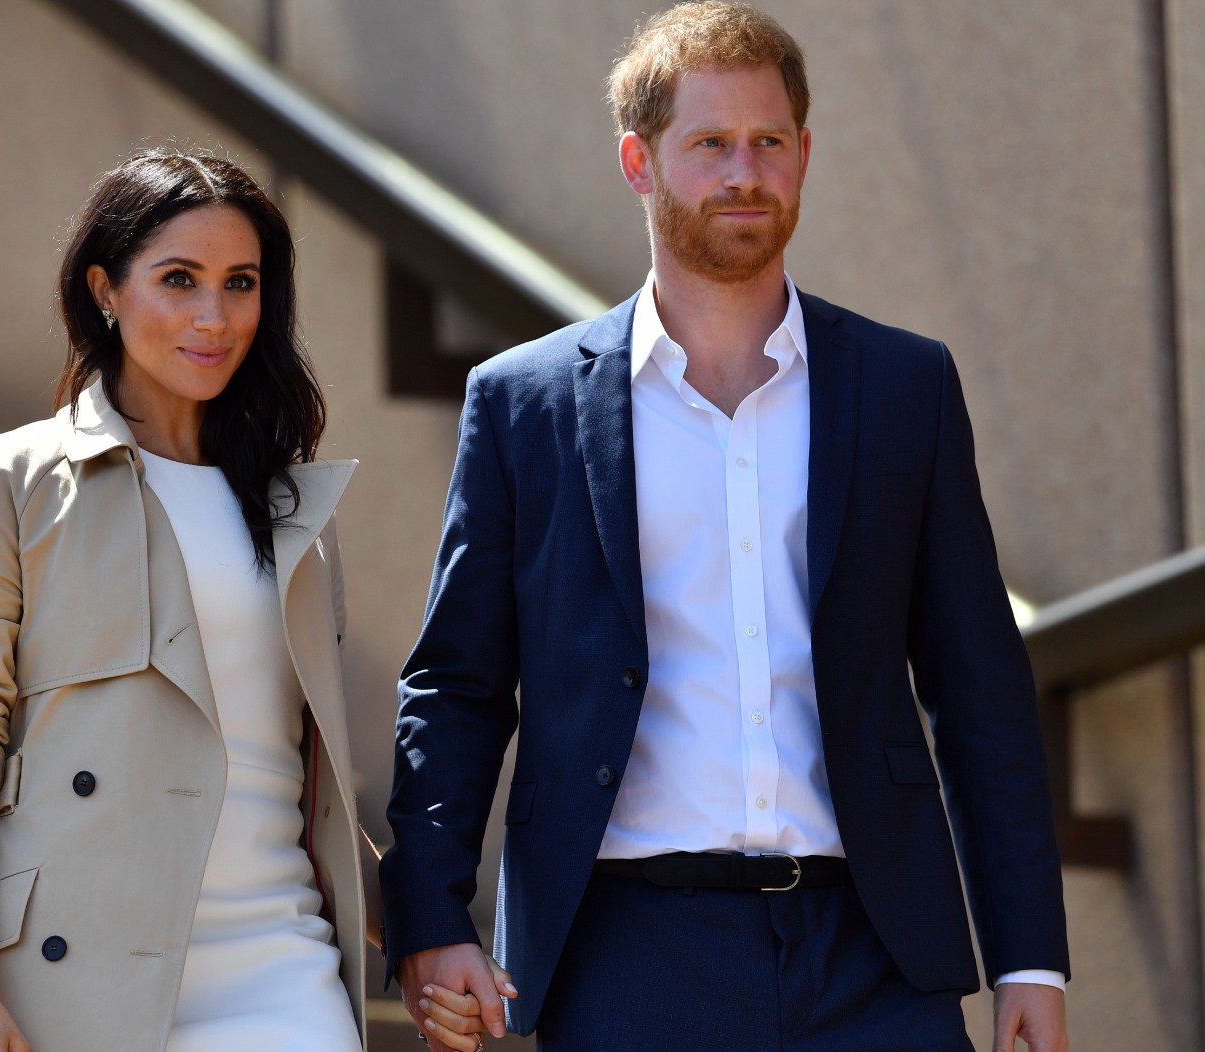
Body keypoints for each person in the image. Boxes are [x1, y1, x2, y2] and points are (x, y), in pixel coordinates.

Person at [380, 4, 1071, 1050]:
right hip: (629, 949)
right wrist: (432, 916)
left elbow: (979, 685)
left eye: (769, 141)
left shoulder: (903, 385)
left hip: (876, 949)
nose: (744, 171)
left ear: (804, 153)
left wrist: (1028, 953)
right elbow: (459, 685)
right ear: (638, 159)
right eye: (709, 143)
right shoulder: (523, 405)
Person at [0, 148, 483, 1052]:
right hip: (71, 976)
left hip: (282, 969)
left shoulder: (294, 509)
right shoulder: (6, 485)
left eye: (240, 283)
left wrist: (418, 936)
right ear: (106, 289)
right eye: (180, 280)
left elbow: (301, 782)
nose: (215, 317)